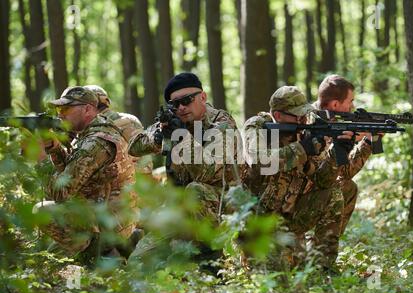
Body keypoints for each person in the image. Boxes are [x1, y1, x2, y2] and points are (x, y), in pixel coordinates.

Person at [242, 86, 350, 268]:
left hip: (291, 218)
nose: (303, 120)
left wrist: (337, 153)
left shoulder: (304, 132)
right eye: (297, 116)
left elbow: (323, 181)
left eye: (304, 115)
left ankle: (324, 267)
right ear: (277, 115)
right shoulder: (257, 125)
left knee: (333, 194)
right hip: (260, 222)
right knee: (274, 277)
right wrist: (302, 149)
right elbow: (258, 161)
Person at [34, 86, 138, 259]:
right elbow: (71, 171)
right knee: (52, 256)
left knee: (43, 211)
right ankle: (113, 249)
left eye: (66, 108)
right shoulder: (92, 134)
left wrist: (41, 159)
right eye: (59, 109)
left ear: (87, 109)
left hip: (110, 222)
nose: (60, 114)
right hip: (105, 214)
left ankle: (102, 257)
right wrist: (54, 148)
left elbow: (62, 192)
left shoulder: (95, 142)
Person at [129, 72, 240, 224]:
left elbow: (207, 173)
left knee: (196, 191)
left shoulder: (222, 123)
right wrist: (159, 137)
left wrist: (182, 137)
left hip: (221, 204)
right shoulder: (175, 121)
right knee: (148, 243)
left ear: (203, 97)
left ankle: (209, 248)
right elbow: (133, 147)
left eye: (187, 100)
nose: (181, 107)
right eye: (175, 104)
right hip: (180, 205)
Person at [311, 75, 373, 236]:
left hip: (317, 185)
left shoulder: (337, 122)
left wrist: (367, 142)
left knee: (348, 187)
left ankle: (326, 243)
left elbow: (345, 173)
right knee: (339, 190)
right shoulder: (308, 122)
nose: (353, 106)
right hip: (301, 188)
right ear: (335, 104)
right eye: (350, 101)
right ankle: (320, 250)